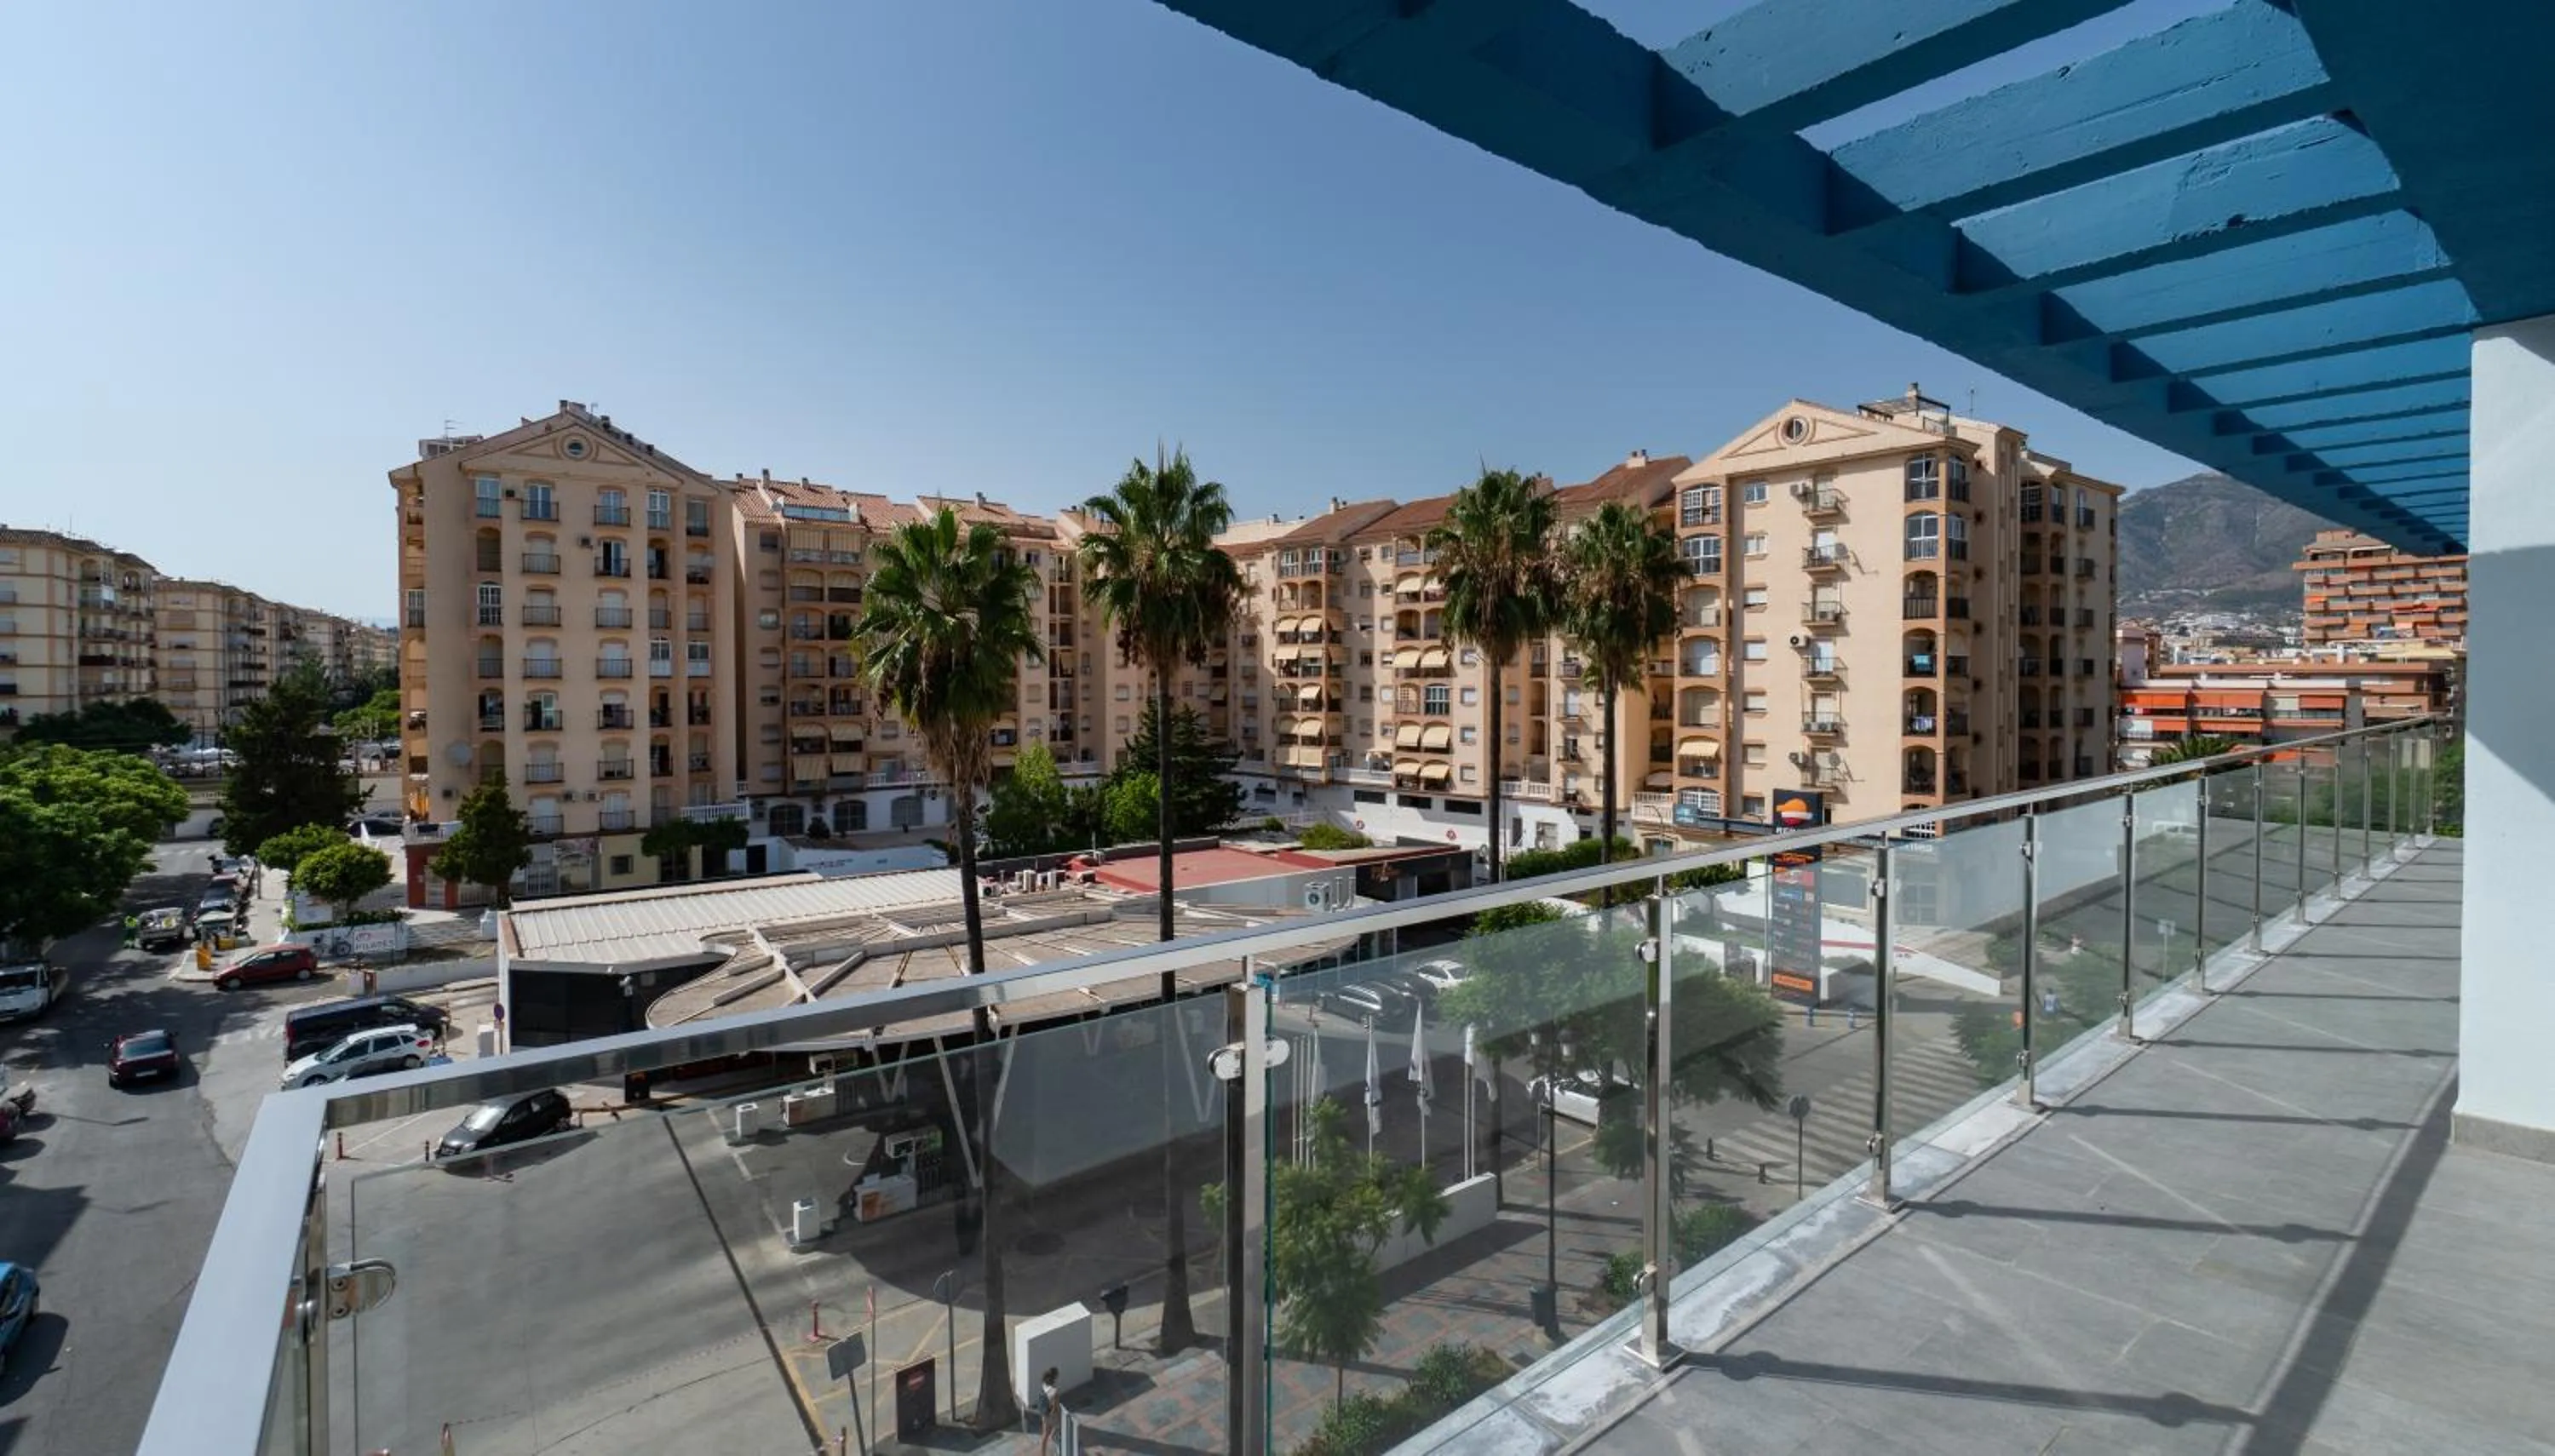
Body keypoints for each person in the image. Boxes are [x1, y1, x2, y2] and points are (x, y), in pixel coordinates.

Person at [1037, 1367, 1065, 1456]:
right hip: (1051, 1416)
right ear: (1055, 1377)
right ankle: (1059, 1450)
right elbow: (1055, 1408)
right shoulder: (1055, 1391)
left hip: (1044, 1415)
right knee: (1061, 1428)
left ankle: (1043, 1454)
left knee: (1045, 1435)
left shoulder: (1044, 1385)